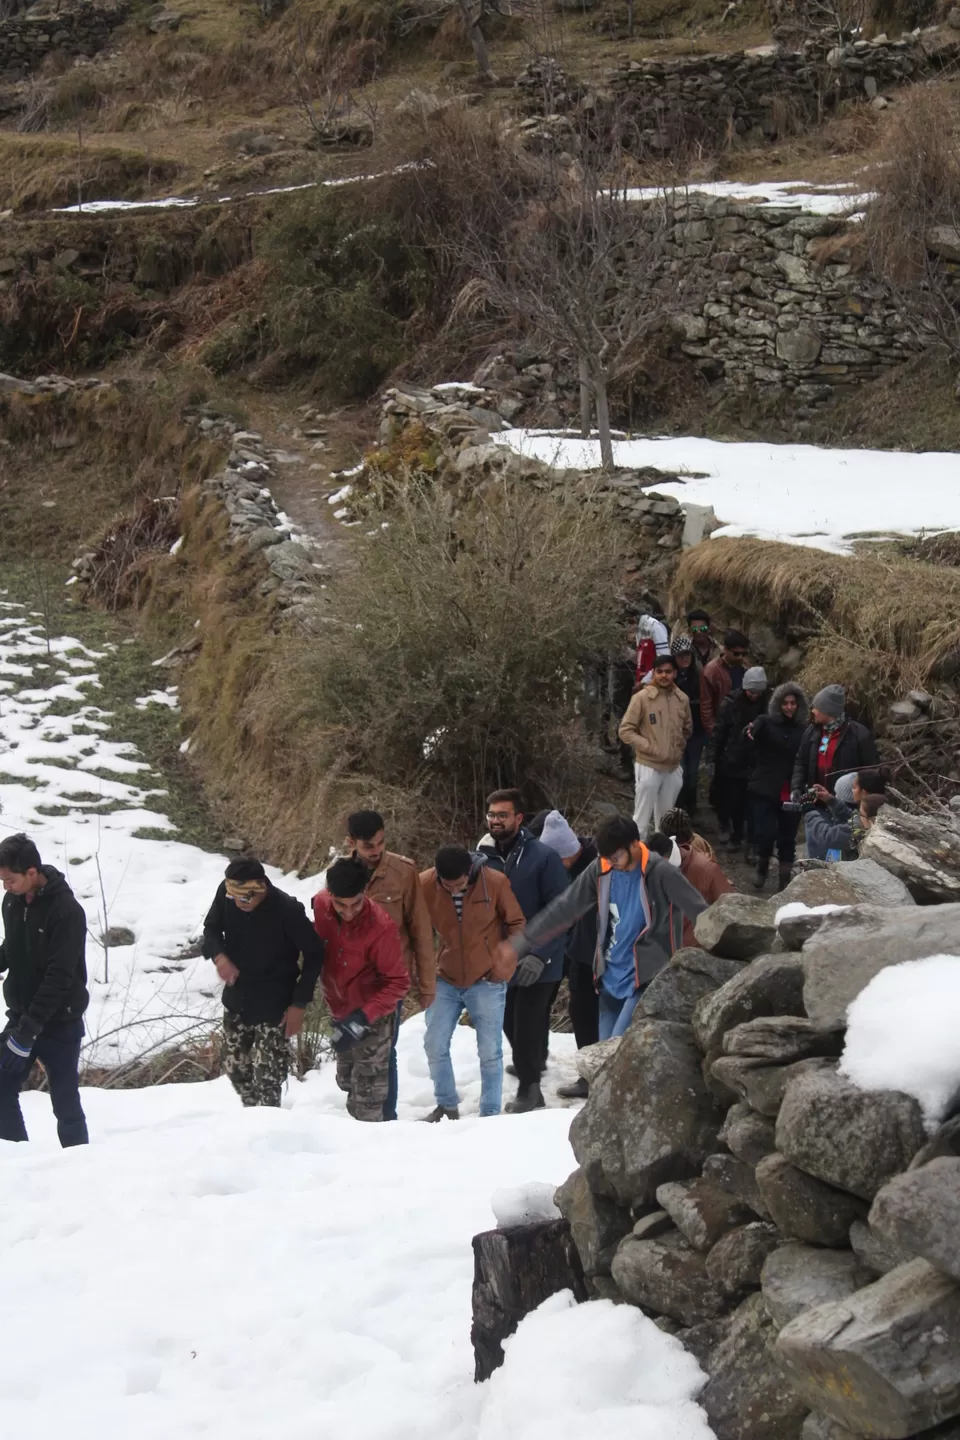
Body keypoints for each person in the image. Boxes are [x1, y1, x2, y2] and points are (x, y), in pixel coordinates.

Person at [496, 814, 707, 1042]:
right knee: (604, 1057)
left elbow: (700, 911)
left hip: (646, 977)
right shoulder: (601, 868)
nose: (610, 863)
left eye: (615, 856)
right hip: (609, 978)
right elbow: (564, 909)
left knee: (617, 1051)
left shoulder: (661, 872)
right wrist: (518, 944)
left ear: (635, 845)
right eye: (605, 857)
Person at [203, 857, 324, 1108]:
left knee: (268, 1077)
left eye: (246, 898)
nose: (240, 903)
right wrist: (219, 957)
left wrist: (299, 1005)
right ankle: (252, 1114)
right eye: (235, 898)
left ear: (261, 887)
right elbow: (211, 928)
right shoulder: (226, 894)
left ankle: (269, 1123)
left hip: (275, 1002)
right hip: (239, 996)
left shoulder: (288, 910)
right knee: (234, 1066)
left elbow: (315, 954)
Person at [478, 791, 570, 1113]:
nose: (496, 820)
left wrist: (540, 953)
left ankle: (530, 1089)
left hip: (539, 957)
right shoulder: (483, 857)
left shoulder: (543, 857)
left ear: (519, 818)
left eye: (503, 815)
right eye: (492, 815)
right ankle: (532, 1061)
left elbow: (562, 911)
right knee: (507, 1020)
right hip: (501, 957)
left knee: (526, 1021)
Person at [419, 846, 525, 1120]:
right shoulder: (425, 884)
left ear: (470, 873)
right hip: (446, 975)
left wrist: (505, 965)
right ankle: (447, 1105)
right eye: (448, 885)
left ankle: (489, 1112)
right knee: (434, 1042)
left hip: (487, 977)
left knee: (490, 1050)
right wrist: (423, 970)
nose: (454, 889)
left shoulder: (495, 882)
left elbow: (517, 924)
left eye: (460, 884)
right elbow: (413, 928)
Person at [346, 809, 435, 1122]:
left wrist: (427, 984)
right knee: (354, 1046)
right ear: (351, 842)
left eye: (381, 842)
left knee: (386, 1050)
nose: (376, 851)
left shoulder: (403, 871)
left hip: (390, 979)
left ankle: (387, 1117)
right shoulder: (341, 872)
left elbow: (421, 930)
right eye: (369, 845)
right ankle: (360, 1110)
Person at [0, 832, 89, 1147]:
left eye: (10, 880)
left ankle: (80, 1165)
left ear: (32, 873)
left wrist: (29, 1032)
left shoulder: (67, 912)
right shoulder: (11, 902)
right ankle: (16, 1158)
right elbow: (12, 948)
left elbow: (59, 976)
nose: (5, 886)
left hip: (59, 1022)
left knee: (65, 1103)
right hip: (22, 1015)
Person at [312, 857, 410, 1122]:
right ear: (329, 894)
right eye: (340, 904)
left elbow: (398, 983)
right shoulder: (320, 904)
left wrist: (363, 1018)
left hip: (372, 1017)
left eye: (355, 903)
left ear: (365, 892)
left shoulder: (381, 927)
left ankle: (378, 1145)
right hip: (338, 1008)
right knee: (347, 1081)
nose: (348, 911)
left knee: (368, 1098)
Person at [537, 810, 600, 1101]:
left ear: (569, 852)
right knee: (579, 1009)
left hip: (601, 951)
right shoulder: (563, 865)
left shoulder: (598, 866)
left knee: (594, 1011)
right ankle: (588, 1073)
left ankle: (598, 1074)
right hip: (575, 947)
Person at [619, 653, 692, 837]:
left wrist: (678, 746)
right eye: (659, 671)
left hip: (673, 768)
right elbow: (625, 730)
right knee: (641, 821)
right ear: (654, 672)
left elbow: (687, 729)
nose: (663, 676)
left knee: (667, 823)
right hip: (648, 766)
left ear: (675, 673)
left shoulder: (682, 699)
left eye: (668, 672)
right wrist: (650, 747)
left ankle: (661, 862)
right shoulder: (642, 698)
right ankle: (637, 861)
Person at [747, 682, 809, 892]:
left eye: (793, 703)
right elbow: (750, 734)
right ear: (778, 704)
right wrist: (750, 730)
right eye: (785, 703)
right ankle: (762, 865)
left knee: (787, 837)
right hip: (765, 787)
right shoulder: (765, 722)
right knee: (764, 832)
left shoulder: (805, 731)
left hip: (792, 789)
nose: (789, 707)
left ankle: (784, 880)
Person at [713, 667, 770, 856]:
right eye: (751, 692)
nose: (754, 696)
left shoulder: (768, 705)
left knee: (753, 806)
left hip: (757, 761)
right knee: (734, 803)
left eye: (758, 692)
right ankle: (736, 836)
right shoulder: (730, 704)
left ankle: (753, 844)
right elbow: (719, 732)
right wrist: (714, 758)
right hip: (733, 761)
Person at [658, 808, 734, 947]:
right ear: (690, 834)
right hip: (698, 938)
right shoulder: (702, 852)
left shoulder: (654, 858)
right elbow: (727, 901)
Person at [791, 685, 880, 798]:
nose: (813, 711)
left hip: (845, 805)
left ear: (827, 711)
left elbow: (872, 771)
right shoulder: (811, 732)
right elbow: (800, 762)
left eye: (816, 707)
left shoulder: (859, 735)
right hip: (815, 803)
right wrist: (796, 788)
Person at [671, 635, 706, 817]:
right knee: (680, 774)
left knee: (692, 775)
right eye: (680, 656)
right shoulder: (670, 679)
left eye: (687, 655)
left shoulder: (699, 678)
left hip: (696, 733)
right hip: (675, 733)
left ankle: (691, 809)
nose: (684, 659)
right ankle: (679, 810)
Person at [803, 789, 888, 861]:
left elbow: (826, 835)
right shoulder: (883, 829)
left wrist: (809, 811)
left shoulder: (857, 832)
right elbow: (851, 816)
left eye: (860, 814)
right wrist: (831, 800)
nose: (857, 817)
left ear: (871, 820)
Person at [700, 630, 749, 740]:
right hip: (722, 728)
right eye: (736, 654)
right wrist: (714, 733)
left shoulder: (746, 667)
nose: (740, 657)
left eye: (744, 654)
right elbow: (706, 707)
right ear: (726, 650)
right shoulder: (711, 671)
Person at [634, 603, 672, 685]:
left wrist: (644, 682)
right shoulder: (639, 631)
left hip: (654, 684)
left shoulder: (654, 626)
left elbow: (664, 659)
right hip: (641, 684)